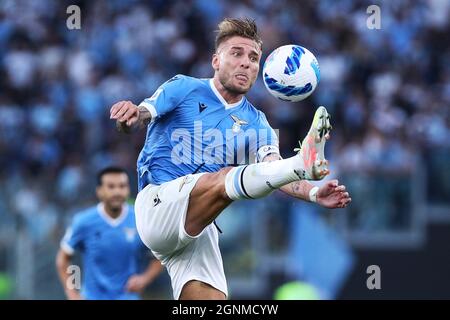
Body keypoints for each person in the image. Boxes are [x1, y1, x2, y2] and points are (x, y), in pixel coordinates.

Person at [109, 18, 351, 300]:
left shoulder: (257, 123)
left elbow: (273, 170)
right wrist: (129, 116)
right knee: (224, 178)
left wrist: (312, 193)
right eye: (236, 53)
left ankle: (299, 164)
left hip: (200, 225)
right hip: (158, 204)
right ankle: (299, 163)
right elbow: (141, 115)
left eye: (253, 58)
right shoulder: (184, 87)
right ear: (216, 60)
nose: (246, 63)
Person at [56, 167, 164, 300]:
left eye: (122, 186)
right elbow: (63, 259)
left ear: (128, 189)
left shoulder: (140, 219)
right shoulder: (83, 221)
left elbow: (160, 257)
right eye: (111, 187)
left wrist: (144, 278)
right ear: (99, 191)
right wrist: (73, 294)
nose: (117, 191)